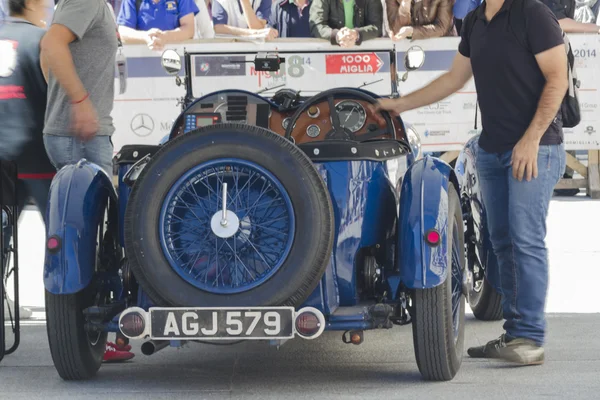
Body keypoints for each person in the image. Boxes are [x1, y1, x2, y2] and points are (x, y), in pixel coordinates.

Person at [375, 0, 567, 365]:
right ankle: (515, 333)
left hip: (535, 147)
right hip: (493, 149)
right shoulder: (476, 21)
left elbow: (557, 79)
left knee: (525, 238)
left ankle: (531, 337)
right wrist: (399, 104)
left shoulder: (531, 13)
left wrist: (531, 139)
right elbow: (453, 79)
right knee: (501, 242)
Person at [40, 0, 134, 362]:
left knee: (98, 240)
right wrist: (76, 101)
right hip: (79, 135)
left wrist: (62, 98)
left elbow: (46, 51)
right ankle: (91, 336)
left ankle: (94, 333)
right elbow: (50, 45)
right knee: (93, 244)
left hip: (80, 133)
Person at [1, 0, 53, 322]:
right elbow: (54, 97)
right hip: (37, 153)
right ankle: (68, 307)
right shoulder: (42, 41)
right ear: (32, 3)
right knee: (59, 235)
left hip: (2, 152)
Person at [117, 0, 200, 51]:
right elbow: (123, 32)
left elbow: (189, 30)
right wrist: (145, 37)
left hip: (176, 60)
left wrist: (165, 37)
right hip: (140, 62)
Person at [309, 0, 382, 47]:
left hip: (364, 54)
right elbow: (317, 26)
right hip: (329, 52)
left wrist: (357, 34)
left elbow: (377, 27)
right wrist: (337, 35)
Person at [384, 0, 455, 40]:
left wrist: (412, 31)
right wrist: (405, 4)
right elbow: (397, 31)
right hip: (407, 48)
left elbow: (442, 27)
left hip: (441, 44)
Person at [212, 0, 278, 39]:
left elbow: (258, 28)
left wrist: (244, 1)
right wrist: (250, 33)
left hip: (255, 50)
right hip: (228, 49)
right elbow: (218, 28)